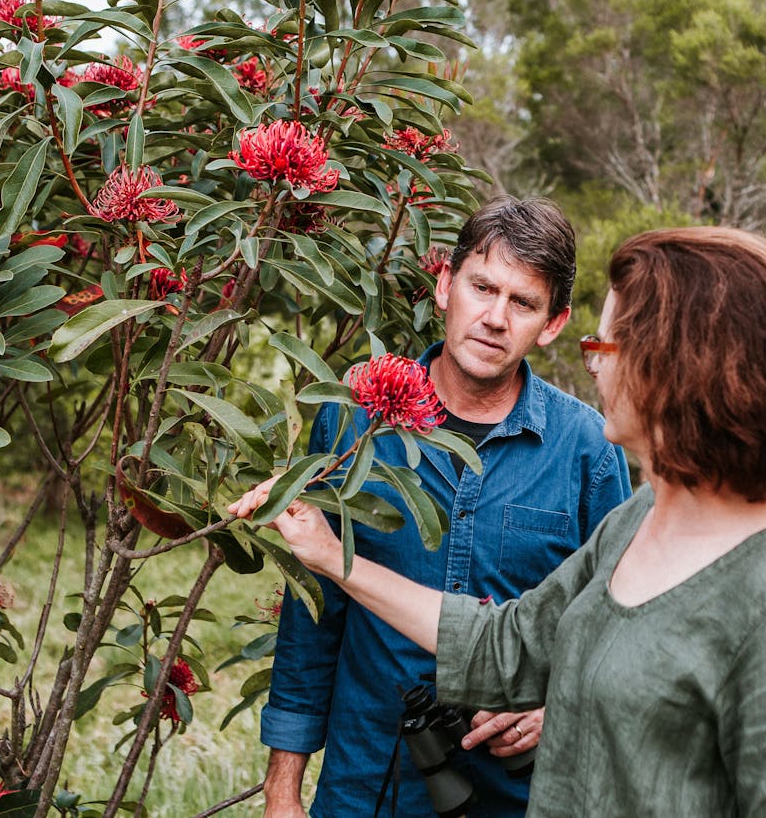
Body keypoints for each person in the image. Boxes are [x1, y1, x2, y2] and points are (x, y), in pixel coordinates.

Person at [235, 226, 766, 816]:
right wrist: (326, 554)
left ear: (682, 370)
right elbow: (502, 644)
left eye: (606, 346)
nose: (595, 367)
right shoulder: (642, 519)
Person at [258, 198, 633, 817]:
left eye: (523, 303)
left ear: (554, 323)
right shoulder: (355, 414)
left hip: (517, 795)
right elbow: (313, 610)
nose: (494, 318)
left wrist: (554, 705)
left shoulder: (587, 449)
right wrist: (282, 789)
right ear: (444, 285)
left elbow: (615, 628)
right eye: (482, 287)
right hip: (367, 784)